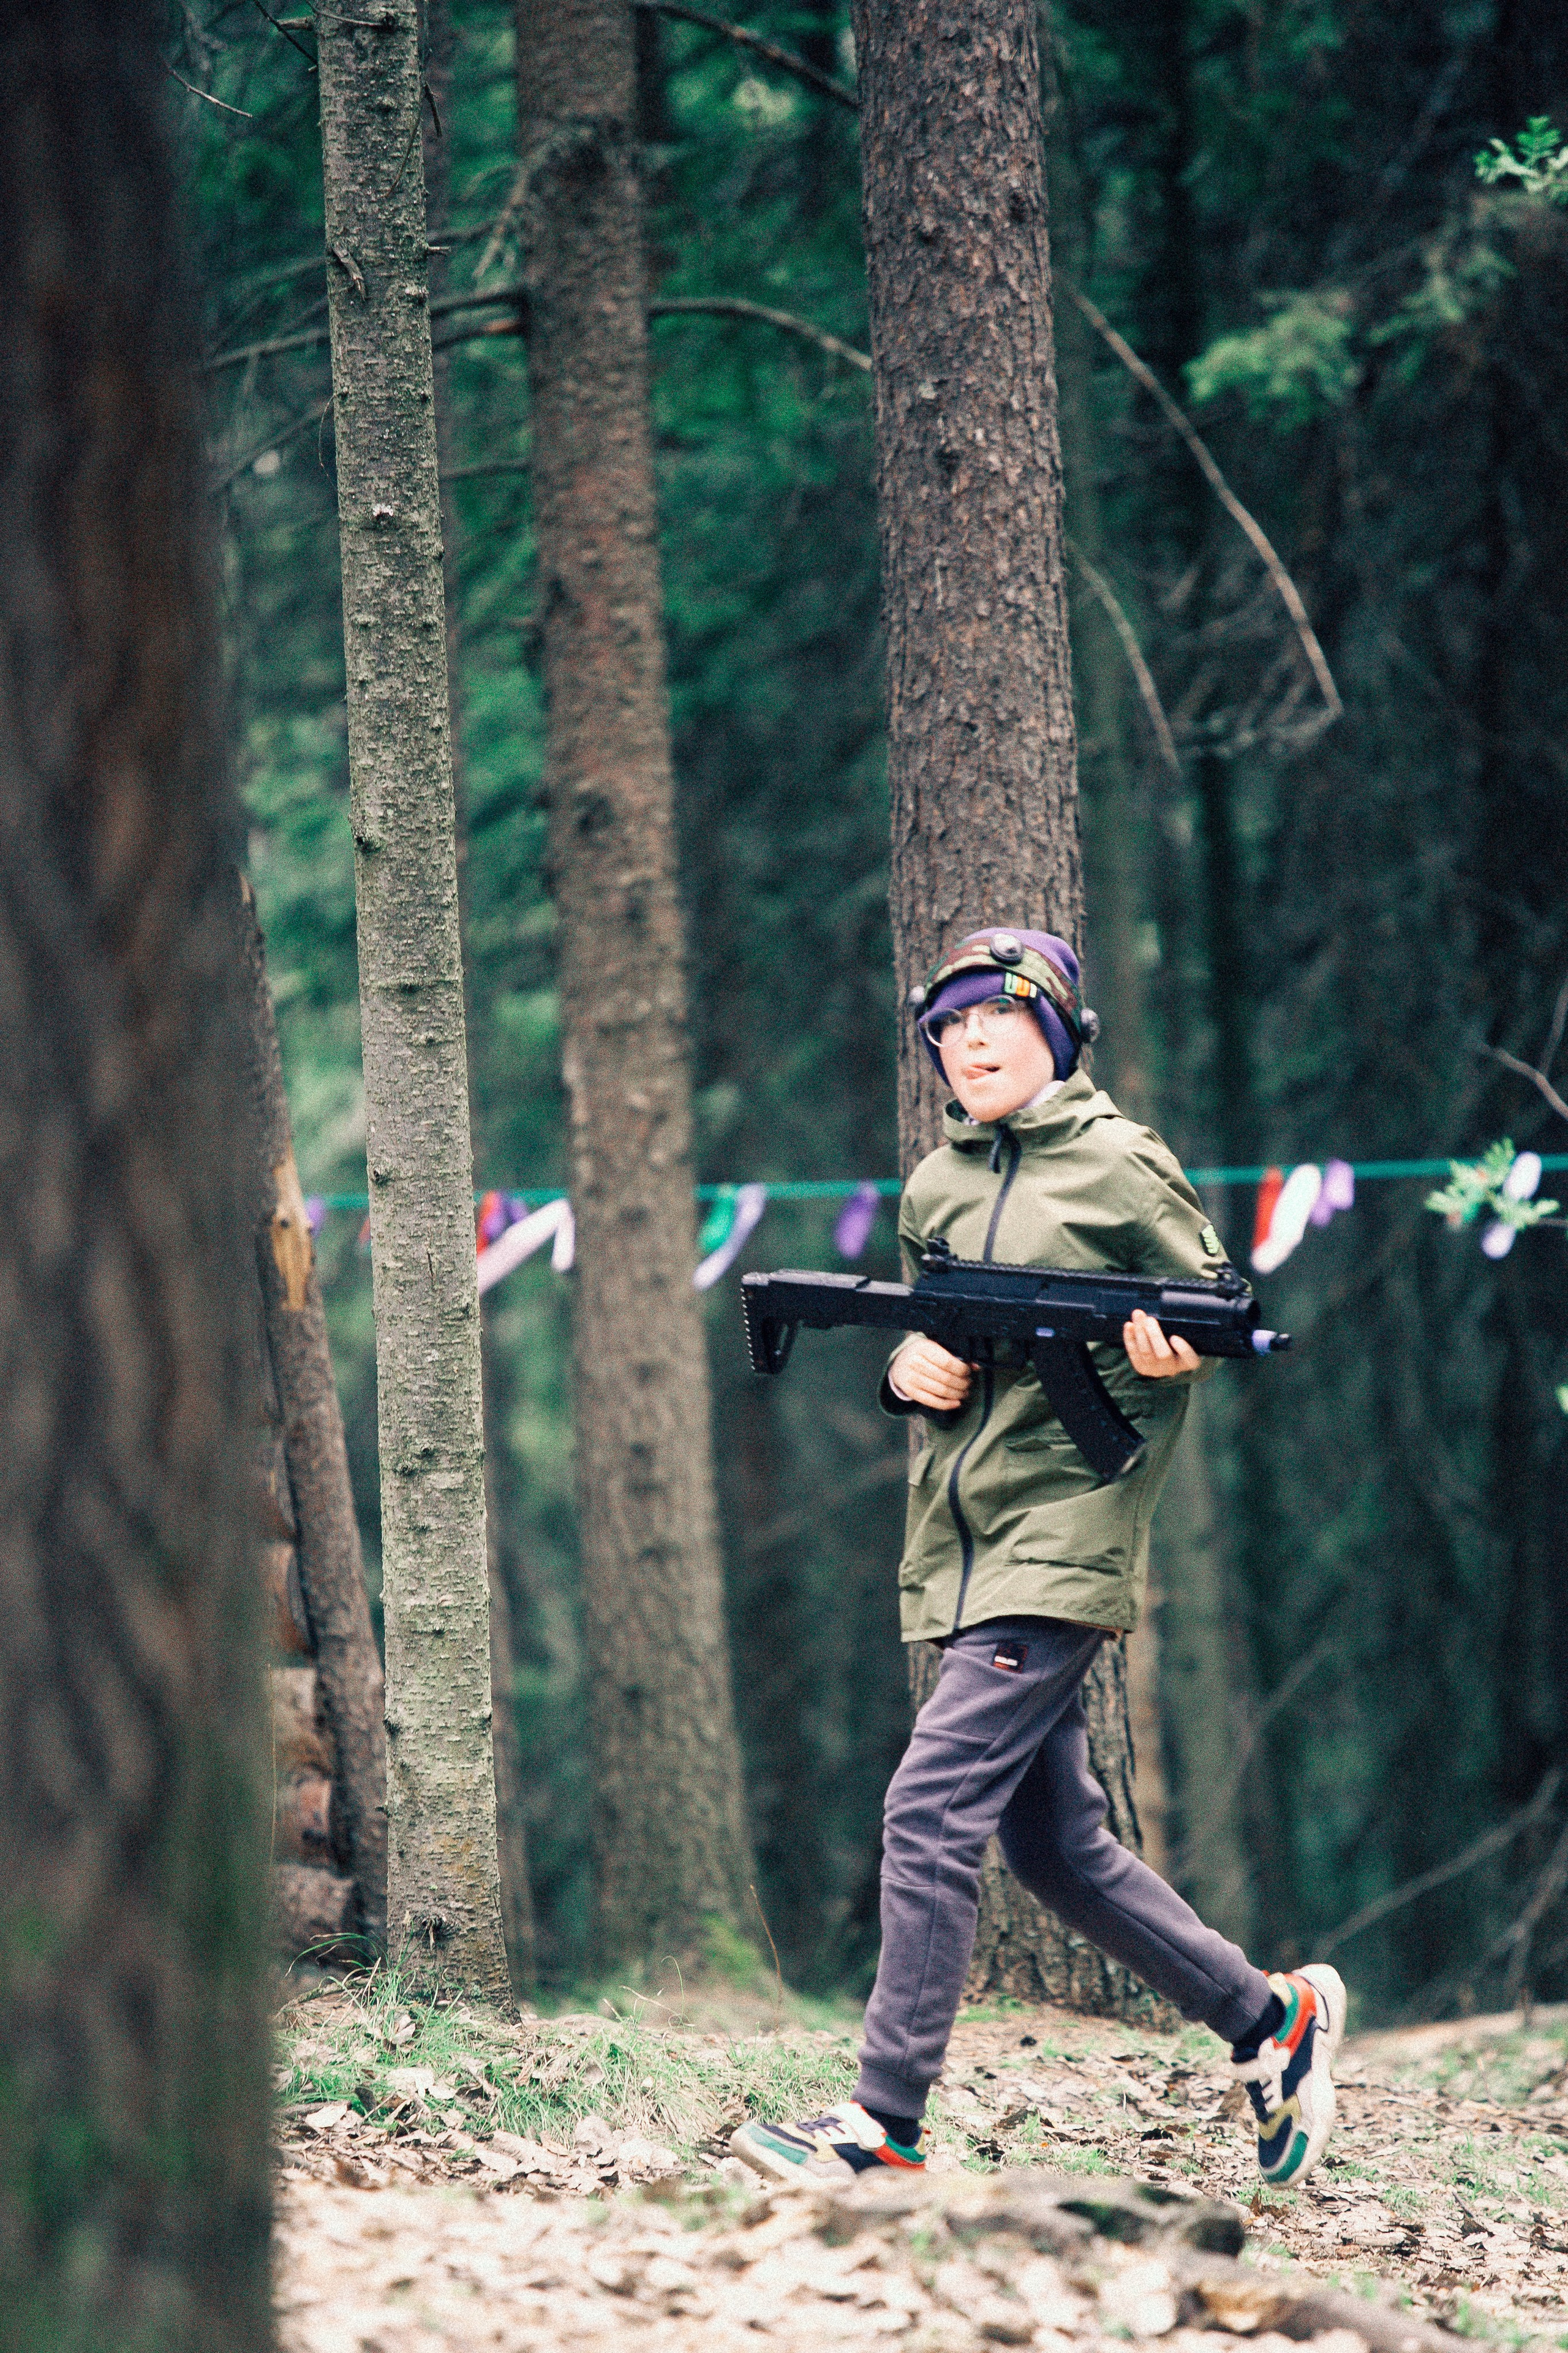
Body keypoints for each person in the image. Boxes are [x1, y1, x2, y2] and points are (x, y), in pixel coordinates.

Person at [733, 926, 1344, 2190]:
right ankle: (1265, 2019)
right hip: (958, 1542)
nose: (967, 1041)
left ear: (1053, 1036)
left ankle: (883, 2127)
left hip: (1067, 1529)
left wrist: (1164, 1354)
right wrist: (912, 1372)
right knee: (1056, 1850)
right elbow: (934, 1355)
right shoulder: (932, 1190)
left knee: (924, 1807)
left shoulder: (1121, 1165)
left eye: (994, 1019)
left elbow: (1202, 1306)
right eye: (945, 1028)